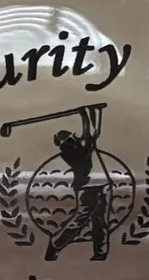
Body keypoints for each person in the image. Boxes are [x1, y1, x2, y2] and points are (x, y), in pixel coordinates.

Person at [44, 106, 113, 263]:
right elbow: (92, 134)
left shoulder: (77, 146)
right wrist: (88, 114)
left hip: (99, 186)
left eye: (72, 137)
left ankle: (100, 253)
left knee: (100, 221)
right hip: (87, 189)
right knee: (80, 221)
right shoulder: (71, 152)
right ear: (64, 143)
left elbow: (90, 133)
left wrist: (88, 114)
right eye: (70, 139)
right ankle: (55, 244)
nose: (74, 139)